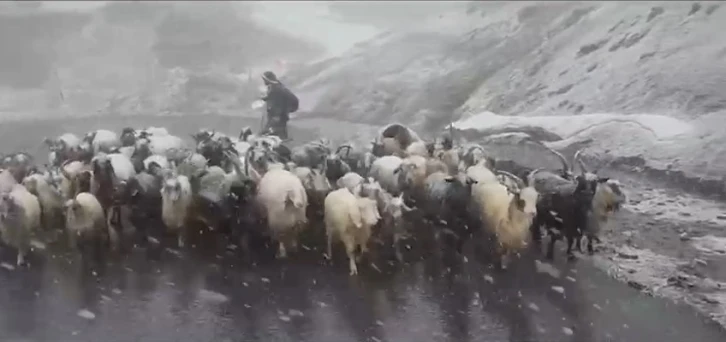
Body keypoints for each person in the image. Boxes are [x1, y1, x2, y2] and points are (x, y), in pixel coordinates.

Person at [260, 71, 298, 140]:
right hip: (279, 116)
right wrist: (266, 98)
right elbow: (273, 97)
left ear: (268, 79)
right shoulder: (276, 86)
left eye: (264, 80)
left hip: (278, 116)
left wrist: (276, 116)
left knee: (270, 133)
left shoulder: (277, 89)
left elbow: (279, 103)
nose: (264, 82)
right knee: (278, 133)